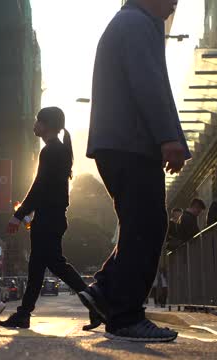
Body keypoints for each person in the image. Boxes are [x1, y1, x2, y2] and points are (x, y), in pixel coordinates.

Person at [83, 0, 187, 342]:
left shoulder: (131, 23)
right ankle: (126, 314)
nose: (175, 2)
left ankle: (106, 290)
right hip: (130, 142)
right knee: (147, 225)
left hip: (122, 142)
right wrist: (169, 137)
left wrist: (171, 137)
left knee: (140, 224)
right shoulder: (135, 24)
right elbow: (150, 84)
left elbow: (154, 84)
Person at [0, 107, 88, 329]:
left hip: (48, 218)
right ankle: (24, 313)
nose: (34, 124)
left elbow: (39, 188)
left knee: (55, 265)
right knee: (37, 268)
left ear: (47, 125)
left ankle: (97, 300)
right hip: (52, 217)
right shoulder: (56, 150)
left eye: (38, 121)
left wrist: (17, 216)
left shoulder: (51, 151)